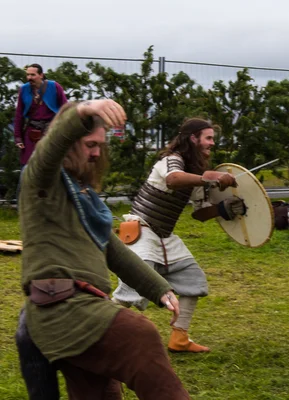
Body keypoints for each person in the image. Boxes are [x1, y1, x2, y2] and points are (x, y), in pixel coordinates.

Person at [17, 99, 190, 399]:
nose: (97, 152)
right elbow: (48, 151)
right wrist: (82, 111)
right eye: (89, 143)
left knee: (102, 393)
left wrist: (160, 289)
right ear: (69, 142)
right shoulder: (40, 183)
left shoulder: (83, 198)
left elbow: (113, 250)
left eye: (100, 144)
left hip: (84, 309)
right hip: (65, 311)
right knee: (139, 335)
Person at [111, 118, 244, 354]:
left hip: (165, 237)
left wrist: (225, 208)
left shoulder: (195, 173)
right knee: (131, 291)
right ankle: (96, 333)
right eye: (208, 138)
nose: (212, 143)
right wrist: (209, 177)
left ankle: (179, 338)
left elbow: (200, 214)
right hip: (142, 231)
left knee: (194, 281)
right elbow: (173, 180)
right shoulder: (171, 161)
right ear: (193, 138)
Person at [13, 64, 68, 166]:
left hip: (51, 130)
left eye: (33, 75)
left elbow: (66, 109)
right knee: (28, 164)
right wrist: (18, 137)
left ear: (41, 75)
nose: (29, 78)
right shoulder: (24, 89)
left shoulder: (54, 87)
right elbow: (19, 115)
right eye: (28, 75)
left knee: (53, 163)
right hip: (32, 131)